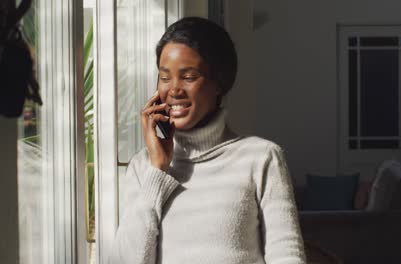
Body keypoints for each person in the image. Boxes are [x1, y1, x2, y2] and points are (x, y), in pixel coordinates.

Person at [109, 17, 306, 264]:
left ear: (219, 83)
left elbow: (287, 255)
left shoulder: (261, 157)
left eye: (189, 77)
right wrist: (158, 169)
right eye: (165, 77)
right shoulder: (143, 167)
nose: (174, 90)